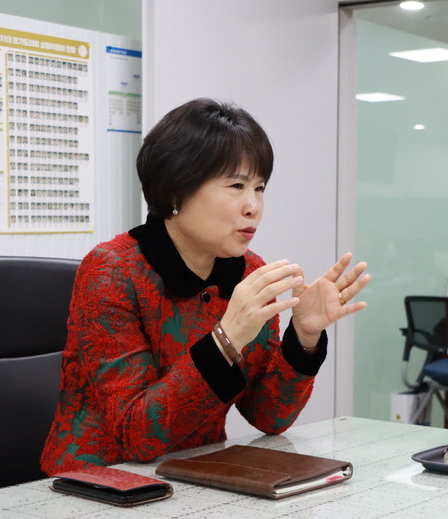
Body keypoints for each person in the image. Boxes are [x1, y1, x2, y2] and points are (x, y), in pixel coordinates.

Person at [41, 98, 371, 474]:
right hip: (95, 485)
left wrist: (304, 337)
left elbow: (268, 417)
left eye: (260, 187)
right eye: (236, 185)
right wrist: (226, 339)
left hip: (194, 477)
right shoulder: (112, 271)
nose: (253, 206)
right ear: (176, 191)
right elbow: (136, 435)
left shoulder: (250, 273)